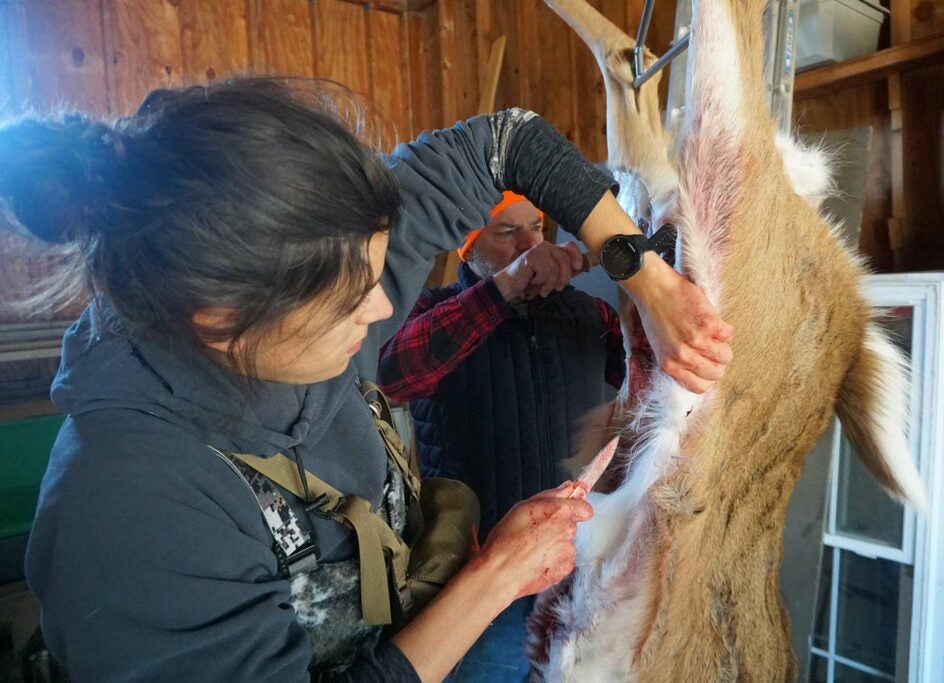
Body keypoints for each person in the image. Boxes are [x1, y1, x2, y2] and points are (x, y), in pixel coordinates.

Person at [0, 78, 732, 682]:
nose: (383, 306)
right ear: (222, 321)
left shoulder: (314, 254)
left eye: (377, 271)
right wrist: (493, 581)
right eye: (351, 299)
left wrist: (646, 280)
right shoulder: (127, 509)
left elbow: (507, 140)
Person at [377, 191, 625, 681]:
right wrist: (502, 291)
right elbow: (390, 378)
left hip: (580, 563)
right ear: (469, 249)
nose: (531, 245)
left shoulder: (590, 316)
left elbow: (646, 388)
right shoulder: (433, 311)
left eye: (537, 228)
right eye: (507, 233)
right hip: (478, 576)